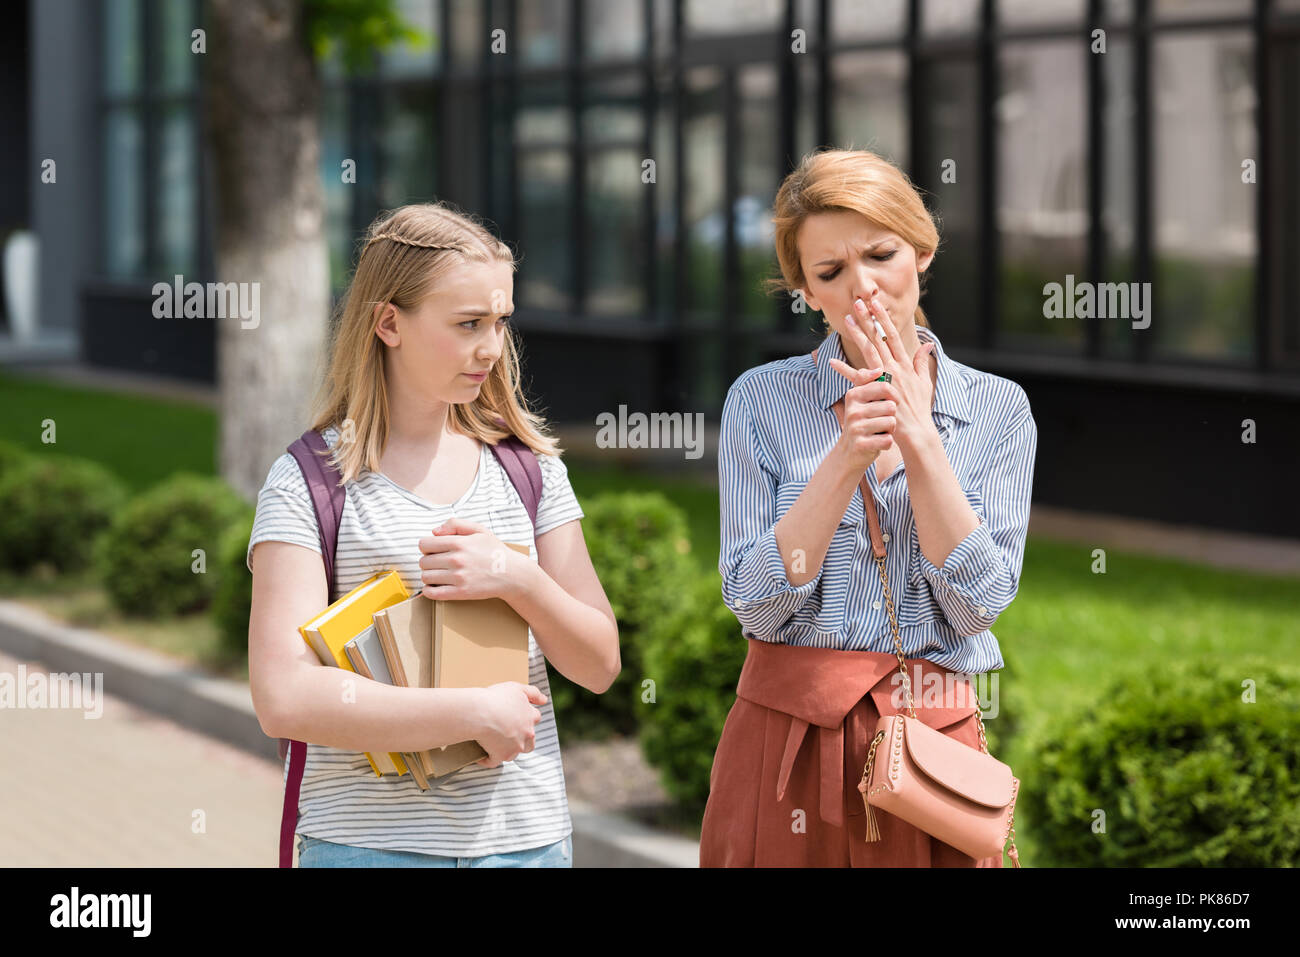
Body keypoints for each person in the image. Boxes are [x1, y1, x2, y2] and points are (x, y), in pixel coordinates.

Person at [246, 201, 619, 867]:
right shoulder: (309, 481)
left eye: (501, 321)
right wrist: (472, 713)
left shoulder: (529, 470)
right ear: (388, 322)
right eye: (468, 323)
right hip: (367, 846)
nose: (492, 347)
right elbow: (283, 695)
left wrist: (517, 578)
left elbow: (598, 664)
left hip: (526, 844)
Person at [700, 148, 1037, 867]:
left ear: (921, 251)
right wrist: (845, 454)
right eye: (830, 273)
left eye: (881, 254)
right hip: (786, 743)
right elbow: (754, 605)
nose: (863, 288)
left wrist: (921, 440)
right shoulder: (760, 402)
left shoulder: (998, 411)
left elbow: (980, 602)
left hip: (932, 750)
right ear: (807, 292)